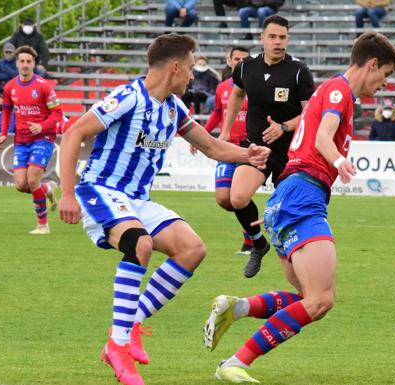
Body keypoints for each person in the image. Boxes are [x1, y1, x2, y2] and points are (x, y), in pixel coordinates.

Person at [57, 34, 270, 385]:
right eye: (189, 69)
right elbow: (74, 133)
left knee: (192, 249)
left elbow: (213, 147)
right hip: (101, 190)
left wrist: (248, 154)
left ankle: (130, 323)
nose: (191, 77)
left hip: (137, 199)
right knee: (139, 245)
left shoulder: (173, 108)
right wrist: (66, 193)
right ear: (174, 68)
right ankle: (119, 346)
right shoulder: (128, 97)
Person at [202, 31, 395, 384]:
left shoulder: (330, 90)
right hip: (302, 196)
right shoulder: (340, 92)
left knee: (310, 300)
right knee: (320, 300)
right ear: (371, 64)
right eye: (384, 75)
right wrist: (338, 161)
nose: (384, 84)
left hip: (288, 197)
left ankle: (240, 307)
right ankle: (234, 364)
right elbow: (324, 137)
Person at [220, 15, 315, 278]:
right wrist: (226, 130)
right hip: (256, 147)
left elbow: (310, 114)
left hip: (290, 152)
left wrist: (283, 126)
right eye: (272, 37)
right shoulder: (245, 68)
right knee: (236, 198)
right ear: (262, 38)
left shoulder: (298, 71)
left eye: (282, 37)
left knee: (290, 213)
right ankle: (258, 244)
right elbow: (237, 94)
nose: (278, 42)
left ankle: (298, 258)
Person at [191, 46, 253, 256]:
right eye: (237, 59)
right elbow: (218, 113)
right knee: (223, 199)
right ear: (229, 61)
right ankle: (252, 226)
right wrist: (201, 135)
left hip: (248, 147)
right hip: (226, 148)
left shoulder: (257, 87)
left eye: (245, 59)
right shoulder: (222, 88)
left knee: (238, 196)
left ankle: (251, 239)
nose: (240, 62)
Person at [0, 46, 62, 234]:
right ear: (16, 63)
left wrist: (42, 126)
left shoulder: (43, 86)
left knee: (32, 181)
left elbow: (57, 114)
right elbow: (7, 111)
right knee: (21, 185)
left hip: (43, 138)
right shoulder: (10, 87)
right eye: (22, 61)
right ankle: (47, 189)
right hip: (21, 140)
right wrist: (3, 133)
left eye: (28, 61)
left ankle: (43, 225)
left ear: (34, 63)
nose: (25, 65)